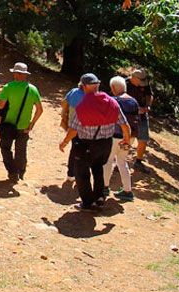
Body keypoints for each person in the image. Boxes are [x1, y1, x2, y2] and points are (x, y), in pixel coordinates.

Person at [58, 73, 131, 210]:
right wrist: (126, 140)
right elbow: (124, 125)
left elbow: (74, 129)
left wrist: (65, 142)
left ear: (84, 86)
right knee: (98, 170)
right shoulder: (111, 102)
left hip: (86, 144)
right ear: (97, 85)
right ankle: (99, 198)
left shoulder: (83, 105)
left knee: (81, 173)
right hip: (105, 144)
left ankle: (87, 203)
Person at [0, 62, 43, 182]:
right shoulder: (32, 89)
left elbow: (0, 105)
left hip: (8, 125)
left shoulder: (8, 87)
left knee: (5, 147)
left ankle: (12, 171)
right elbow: (39, 109)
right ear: (25, 75)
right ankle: (20, 172)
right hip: (24, 126)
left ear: (16, 74)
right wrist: (32, 124)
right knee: (21, 150)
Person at [103, 76, 139, 202]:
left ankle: (104, 187)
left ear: (113, 88)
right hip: (129, 138)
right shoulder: (133, 101)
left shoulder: (112, 100)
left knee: (108, 161)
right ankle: (128, 191)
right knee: (122, 162)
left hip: (114, 136)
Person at [126, 68, 154, 169]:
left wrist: (148, 106)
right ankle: (120, 161)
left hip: (142, 116)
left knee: (143, 139)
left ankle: (138, 161)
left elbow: (149, 96)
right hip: (128, 115)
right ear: (133, 78)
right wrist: (135, 109)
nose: (142, 84)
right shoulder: (125, 84)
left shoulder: (145, 84)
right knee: (127, 138)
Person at [60, 80, 85, 182]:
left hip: (71, 126)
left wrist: (65, 117)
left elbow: (63, 104)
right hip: (87, 128)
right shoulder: (92, 97)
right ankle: (80, 174)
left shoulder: (73, 91)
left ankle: (71, 174)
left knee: (74, 149)